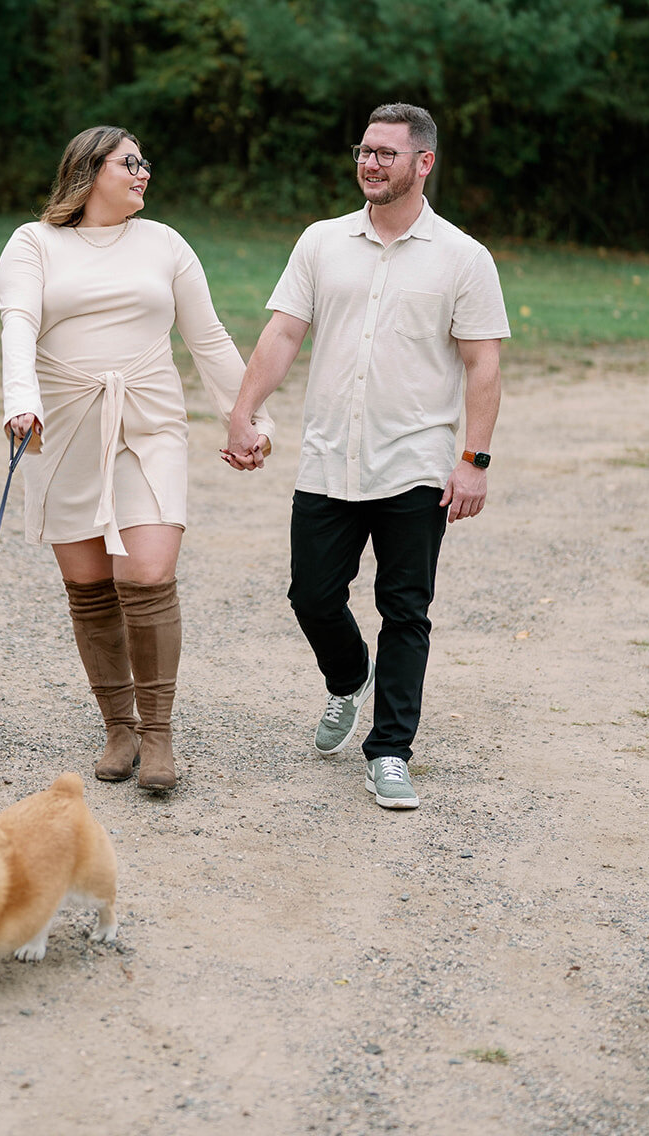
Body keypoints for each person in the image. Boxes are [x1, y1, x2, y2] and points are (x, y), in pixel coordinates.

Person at [224, 103, 510, 809]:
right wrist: (241, 410)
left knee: (404, 609)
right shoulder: (321, 242)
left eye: (386, 152)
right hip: (328, 455)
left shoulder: (463, 257)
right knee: (311, 595)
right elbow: (284, 333)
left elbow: (481, 364)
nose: (370, 163)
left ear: (423, 163)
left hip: (414, 461)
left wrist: (474, 458)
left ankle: (389, 752)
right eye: (364, 150)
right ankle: (349, 676)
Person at [0, 126, 272, 793]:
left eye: (144, 161)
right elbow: (18, 326)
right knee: (90, 585)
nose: (144, 172)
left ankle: (157, 735)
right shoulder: (34, 244)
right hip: (62, 428)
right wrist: (19, 403)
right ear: (88, 172)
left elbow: (207, 339)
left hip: (148, 423)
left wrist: (246, 418)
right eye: (130, 163)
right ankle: (117, 725)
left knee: (146, 572)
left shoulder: (165, 243)